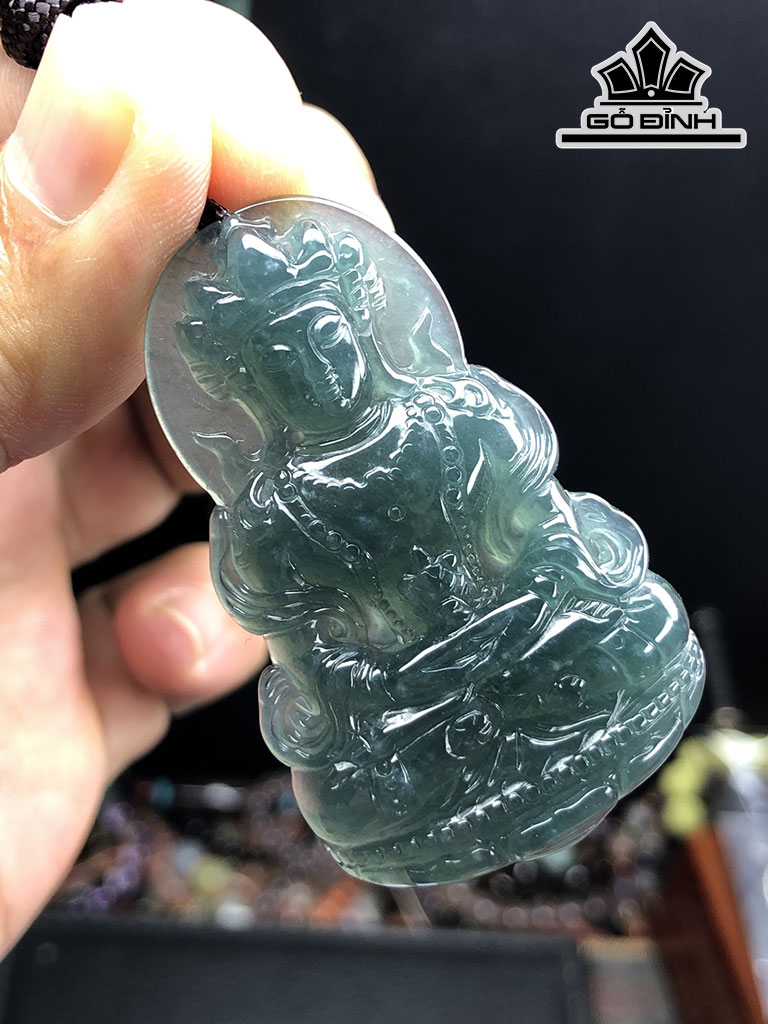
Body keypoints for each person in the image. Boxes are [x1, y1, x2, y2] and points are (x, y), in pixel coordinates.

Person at [0, 0, 391, 957]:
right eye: (278, 358)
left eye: (327, 335)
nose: (317, 367)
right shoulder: (271, 503)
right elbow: (287, 616)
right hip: (403, 683)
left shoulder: (447, 422)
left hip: (491, 632)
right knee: (345, 722)